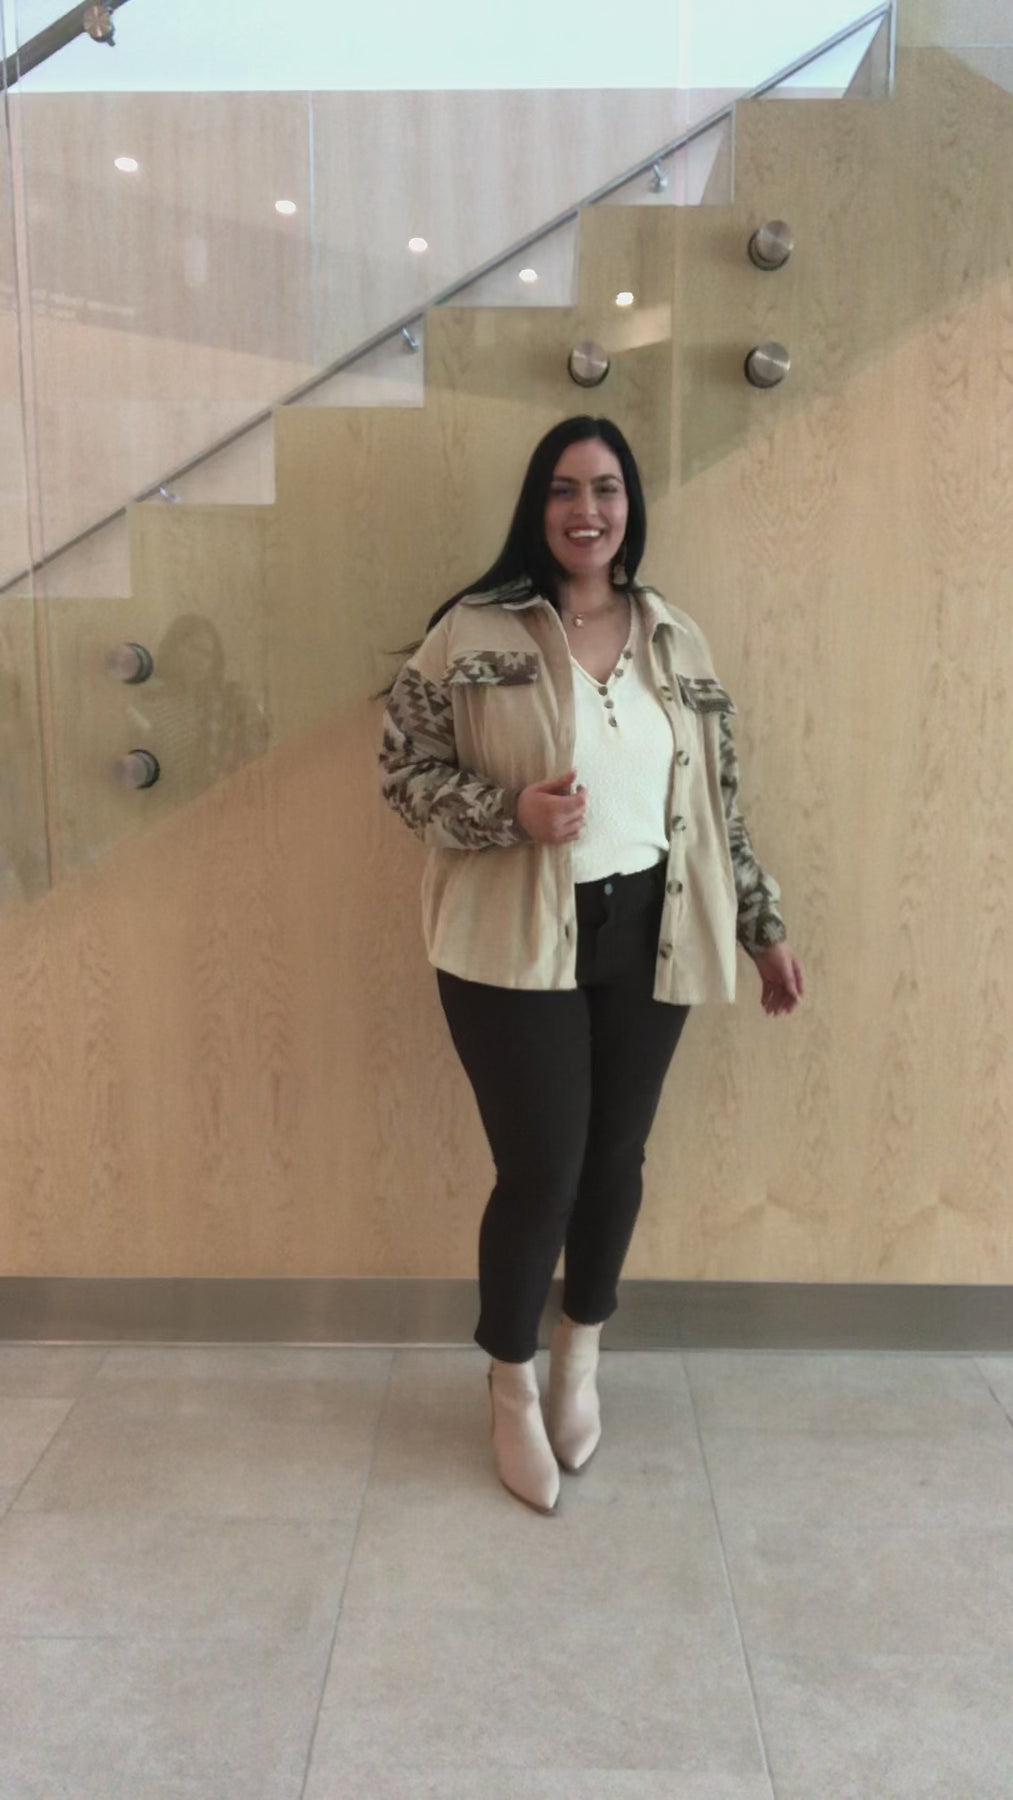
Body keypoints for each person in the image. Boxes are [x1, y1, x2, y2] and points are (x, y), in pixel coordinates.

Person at [376, 414, 804, 1517]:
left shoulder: (675, 638)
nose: (586, 510)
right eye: (565, 490)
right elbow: (402, 774)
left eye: (605, 489)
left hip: (653, 928)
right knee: (542, 1171)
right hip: (508, 941)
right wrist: (507, 813)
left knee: (615, 1158)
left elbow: (718, 805)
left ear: (629, 506)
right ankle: (509, 1383)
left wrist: (761, 927)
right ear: (539, 505)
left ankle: (579, 1358)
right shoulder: (473, 631)